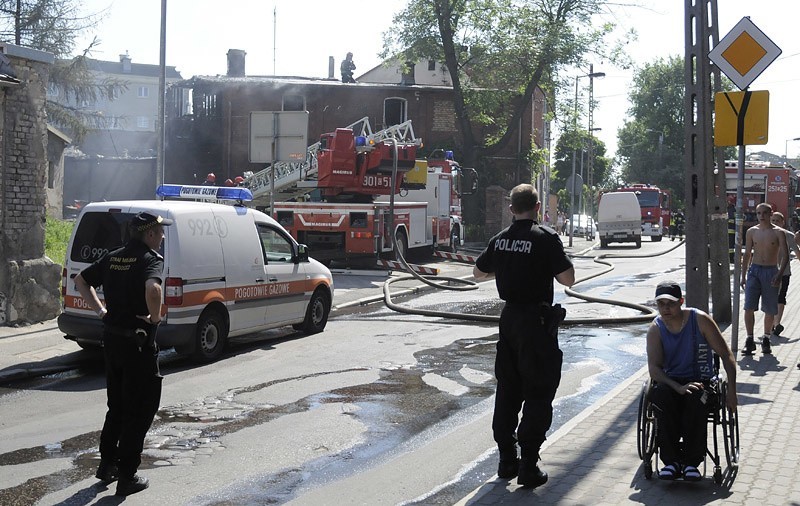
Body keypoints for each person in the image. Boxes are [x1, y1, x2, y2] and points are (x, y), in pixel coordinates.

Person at [473, 184, 575, 488]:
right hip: (536, 323)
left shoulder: (500, 240)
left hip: (509, 322)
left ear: (510, 209)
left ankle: (507, 459)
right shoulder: (544, 238)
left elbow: (478, 274)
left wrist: (506, 267)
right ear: (539, 207)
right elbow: (568, 278)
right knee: (539, 390)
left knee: (508, 388)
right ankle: (528, 465)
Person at [74, 212, 172, 496]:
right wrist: (154, 319)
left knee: (116, 405)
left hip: (112, 342)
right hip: (137, 345)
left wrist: (101, 312)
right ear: (149, 234)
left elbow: (82, 280)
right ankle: (127, 475)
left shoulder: (113, 256)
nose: (163, 237)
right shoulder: (150, 259)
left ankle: (107, 465)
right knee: (139, 409)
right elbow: (153, 289)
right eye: (160, 232)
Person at [646, 281, 737, 481]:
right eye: (661, 304)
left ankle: (691, 462)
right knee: (660, 396)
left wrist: (732, 391)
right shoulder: (656, 329)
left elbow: (726, 355)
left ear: (681, 302)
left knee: (696, 397)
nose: (665, 308)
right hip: (672, 382)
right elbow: (654, 369)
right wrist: (677, 387)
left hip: (702, 380)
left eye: (670, 303)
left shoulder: (701, 320)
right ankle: (670, 461)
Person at [740, 202, 788, 355]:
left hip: (771, 271)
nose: (761, 216)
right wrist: (743, 275)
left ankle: (766, 338)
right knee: (748, 307)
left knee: (769, 308)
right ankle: (749, 339)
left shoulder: (778, 232)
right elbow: (747, 254)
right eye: (758, 213)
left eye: (764, 213)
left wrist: (779, 275)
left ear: (770, 214)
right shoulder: (752, 232)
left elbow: (786, 256)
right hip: (754, 271)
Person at [769, 212, 800, 338]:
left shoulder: (788, 235)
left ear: (783, 222)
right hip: (769, 271)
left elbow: (798, 252)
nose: (775, 223)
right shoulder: (765, 233)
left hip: (784, 272)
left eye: (777, 220)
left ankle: (776, 323)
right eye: (773, 220)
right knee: (771, 298)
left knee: (780, 298)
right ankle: (772, 324)